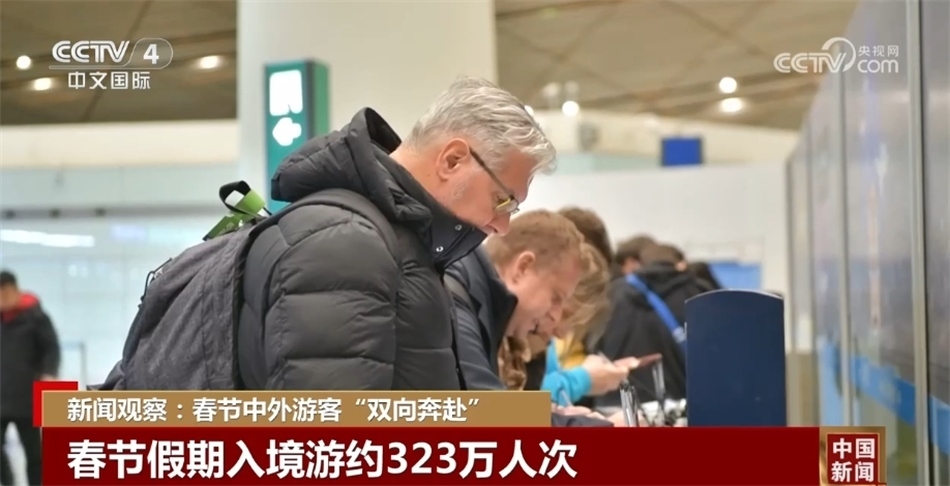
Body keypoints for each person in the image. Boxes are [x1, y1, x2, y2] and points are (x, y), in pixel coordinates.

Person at [236, 76, 555, 390]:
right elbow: (332, 419)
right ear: (452, 160)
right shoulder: (348, 245)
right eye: (502, 201)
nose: (503, 226)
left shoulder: (398, 242)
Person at [446, 210, 621, 426]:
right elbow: (487, 415)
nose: (556, 318)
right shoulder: (458, 304)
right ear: (523, 268)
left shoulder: (477, 304)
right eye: (556, 298)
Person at [595, 243, 714, 407]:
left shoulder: (613, 293)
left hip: (615, 401)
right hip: (681, 403)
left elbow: (594, 345)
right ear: (679, 264)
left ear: (640, 263)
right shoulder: (698, 292)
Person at [0, 270, 60, 486]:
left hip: (27, 397)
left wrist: (48, 373)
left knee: (33, 452)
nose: (4, 298)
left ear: (16, 291)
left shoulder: (35, 317)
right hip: (1, 396)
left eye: (7, 292)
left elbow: (51, 348)